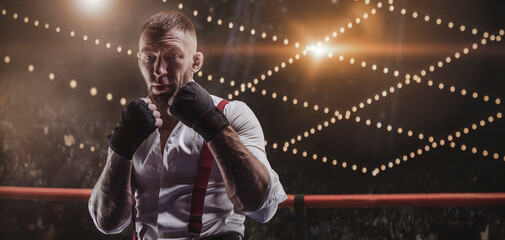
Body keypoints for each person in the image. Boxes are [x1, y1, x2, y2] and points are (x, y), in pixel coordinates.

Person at [88, 10, 287, 240]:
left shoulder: (232, 114)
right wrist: (120, 147)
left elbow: (263, 209)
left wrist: (214, 125)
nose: (159, 70)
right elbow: (107, 222)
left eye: (172, 56)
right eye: (149, 57)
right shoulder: (134, 124)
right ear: (139, 59)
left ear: (196, 61)